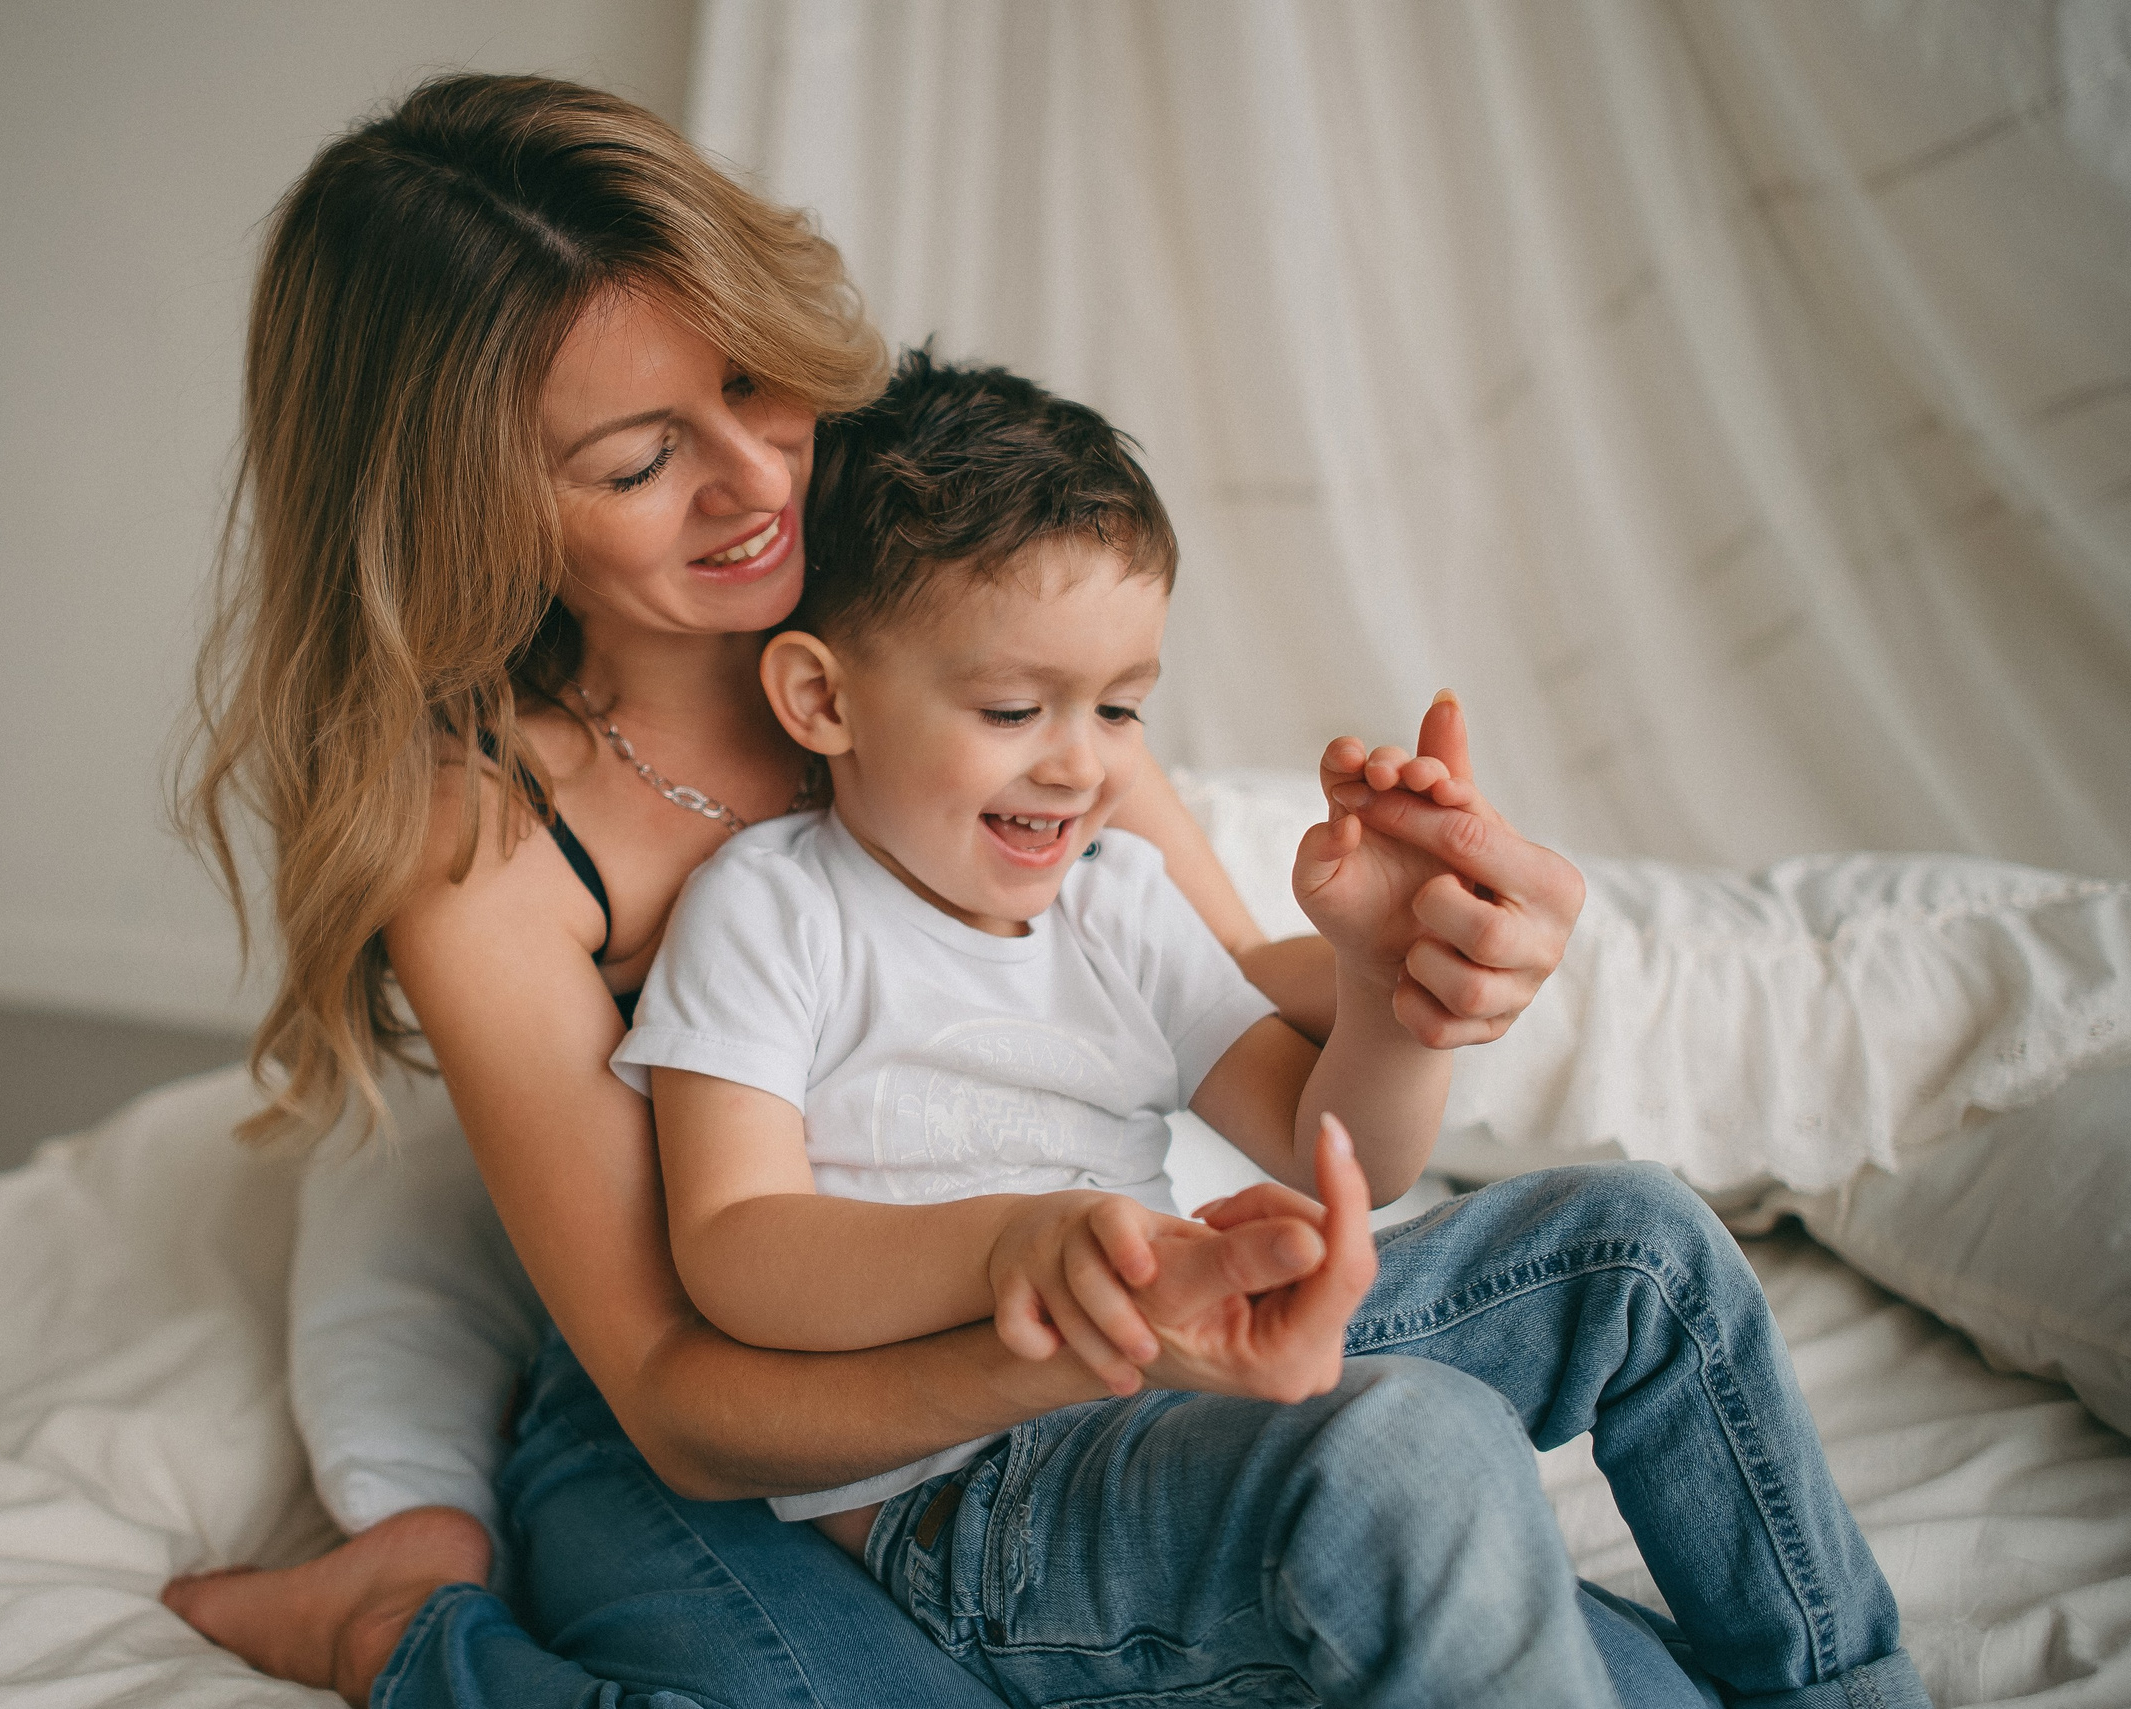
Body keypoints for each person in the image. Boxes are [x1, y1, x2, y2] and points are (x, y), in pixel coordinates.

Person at [156, 72, 1881, 1708]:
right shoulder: (494, 844)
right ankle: (405, 1619)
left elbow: (1261, 1031)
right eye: (636, 462)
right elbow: (688, 1386)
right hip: (752, 1426)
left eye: (759, 381)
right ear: (471, 511)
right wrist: (1068, 1327)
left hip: (1123, 1329)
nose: (760, 481)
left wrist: (1408, 973)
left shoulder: (967, 627)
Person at [614, 351, 1933, 1708]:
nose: (1082, 764)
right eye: (1016, 709)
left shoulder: (1114, 897)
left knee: (1643, 1244)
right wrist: (1022, 1247)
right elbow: (736, 1250)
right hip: (988, 1492)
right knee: (1412, 1450)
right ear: (822, 699)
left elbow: (1335, 1146)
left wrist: (1384, 988)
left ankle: (1844, 1690)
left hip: (1202, 1371)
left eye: (1120, 706)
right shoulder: (771, 911)